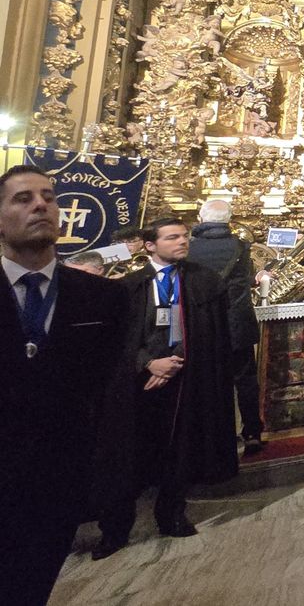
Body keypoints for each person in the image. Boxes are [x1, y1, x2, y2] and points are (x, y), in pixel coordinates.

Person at [0, 166, 132, 605]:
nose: (41, 205)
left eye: (49, 197)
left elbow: (107, 388)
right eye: (22, 198)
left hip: (57, 481)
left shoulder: (104, 298)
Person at [96, 217, 238, 559]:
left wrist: (176, 360)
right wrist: (147, 363)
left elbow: (211, 334)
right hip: (135, 384)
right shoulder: (129, 285)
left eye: (185, 235)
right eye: (173, 237)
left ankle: (172, 514)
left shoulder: (205, 281)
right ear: (150, 245)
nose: (183, 241)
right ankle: (115, 529)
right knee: (127, 455)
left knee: (179, 450)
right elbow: (118, 338)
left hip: (185, 381)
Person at [187, 199, 263, 455]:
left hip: (203, 323)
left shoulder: (189, 248)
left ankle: (211, 436)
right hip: (238, 323)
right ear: (229, 219)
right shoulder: (242, 246)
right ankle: (252, 431)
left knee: (206, 380)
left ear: (200, 217)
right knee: (245, 380)